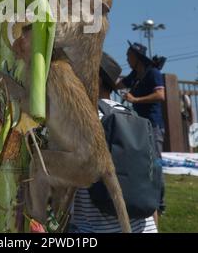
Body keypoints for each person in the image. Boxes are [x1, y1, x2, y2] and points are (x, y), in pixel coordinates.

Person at [68, 53, 157, 233]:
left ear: (96, 79)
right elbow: (152, 181)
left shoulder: (83, 121)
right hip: (145, 228)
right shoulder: (134, 117)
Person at [118, 42, 166, 216]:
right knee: (143, 164)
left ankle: (160, 203)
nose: (126, 59)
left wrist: (135, 100)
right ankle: (148, 198)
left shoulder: (153, 73)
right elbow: (118, 84)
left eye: (128, 55)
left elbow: (161, 95)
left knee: (156, 163)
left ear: (137, 58)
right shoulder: (135, 75)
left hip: (153, 126)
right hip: (140, 127)